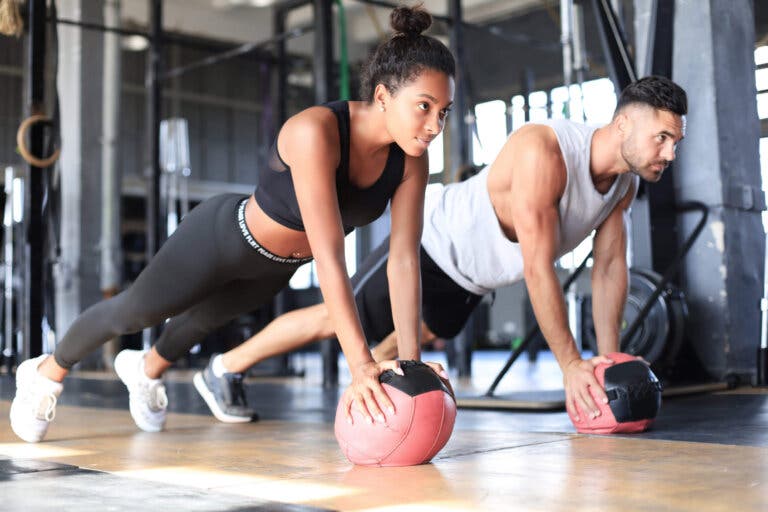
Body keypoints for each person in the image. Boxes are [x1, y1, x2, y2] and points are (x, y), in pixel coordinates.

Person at [10, 5, 456, 443]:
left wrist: (412, 365)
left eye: (444, 111)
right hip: (224, 238)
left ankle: (145, 370)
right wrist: (360, 366)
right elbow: (330, 256)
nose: (435, 125)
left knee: (203, 322)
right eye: (424, 106)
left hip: (276, 267)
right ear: (383, 96)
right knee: (135, 313)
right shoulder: (316, 131)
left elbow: (403, 261)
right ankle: (45, 373)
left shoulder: (410, 160)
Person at [195, 76, 687, 425]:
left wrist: (606, 360)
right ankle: (225, 367)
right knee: (333, 319)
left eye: (675, 142)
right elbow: (538, 267)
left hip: (474, 279)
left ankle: (373, 399)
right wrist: (571, 366)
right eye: (661, 138)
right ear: (623, 124)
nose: (669, 153)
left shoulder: (624, 186)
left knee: (412, 345)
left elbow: (609, 269)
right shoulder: (547, 151)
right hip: (432, 244)